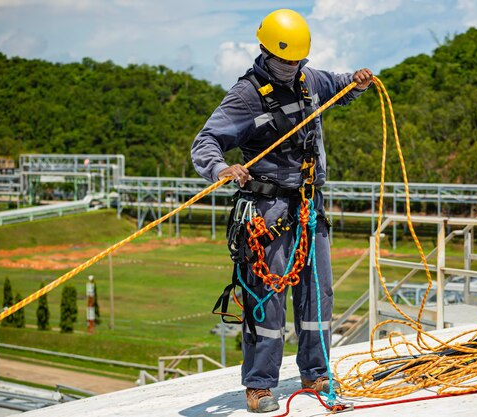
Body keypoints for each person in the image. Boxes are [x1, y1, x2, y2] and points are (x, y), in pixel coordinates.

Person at [191, 8, 372, 413]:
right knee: (267, 298)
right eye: (284, 61)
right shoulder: (246, 95)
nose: (291, 68)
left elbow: (341, 86)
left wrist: (357, 82)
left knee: (317, 295)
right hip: (268, 210)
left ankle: (316, 371)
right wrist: (222, 168)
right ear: (265, 51)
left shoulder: (309, 81)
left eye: (297, 61)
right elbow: (205, 142)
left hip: (309, 205)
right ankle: (259, 384)